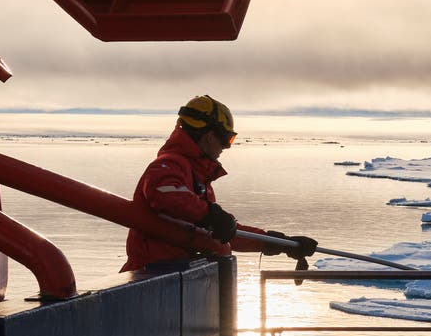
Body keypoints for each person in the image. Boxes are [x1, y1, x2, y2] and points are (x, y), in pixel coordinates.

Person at [123, 94, 318, 272]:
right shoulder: (169, 164)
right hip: (146, 277)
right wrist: (210, 215)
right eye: (227, 139)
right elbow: (166, 195)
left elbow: (222, 233)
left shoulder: (196, 176)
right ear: (209, 137)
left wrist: (277, 242)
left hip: (174, 277)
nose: (226, 147)